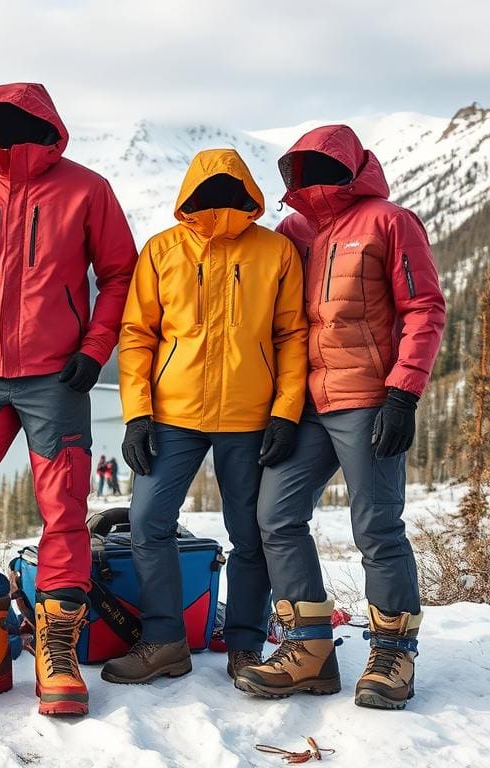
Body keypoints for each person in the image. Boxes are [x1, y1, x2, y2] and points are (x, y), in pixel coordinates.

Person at [0, 83, 137, 717]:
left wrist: (94, 350)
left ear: (44, 126)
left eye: (13, 125)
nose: (2, 137)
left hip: (56, 377)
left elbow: (119, 273)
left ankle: (57, 651)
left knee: (62, 505)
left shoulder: (86, 188)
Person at [235, 125, 446, 710]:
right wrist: (279, 405)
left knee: (376, 527)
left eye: (318, 166)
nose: (307, 177)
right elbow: (278, 321)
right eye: (298, 167)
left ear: (351, 168)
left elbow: (424, 306)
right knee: (275, 517)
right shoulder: (292, 230)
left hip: (368, 399)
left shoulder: (389, 221)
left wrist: (403, 393)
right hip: (303, 404)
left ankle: (392, 653)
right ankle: (309, 649)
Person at [104, 149, 308, 685]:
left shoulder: (276, 251)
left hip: (250, 416)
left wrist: (286, 412)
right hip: (172, 414)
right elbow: (137, 335)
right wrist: (136, 414)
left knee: (250, 533)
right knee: (148, 523)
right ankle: (164, 640)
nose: (218, 202)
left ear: (245, 191)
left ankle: (244, 643)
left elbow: (291, 336)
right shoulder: (162, 250)